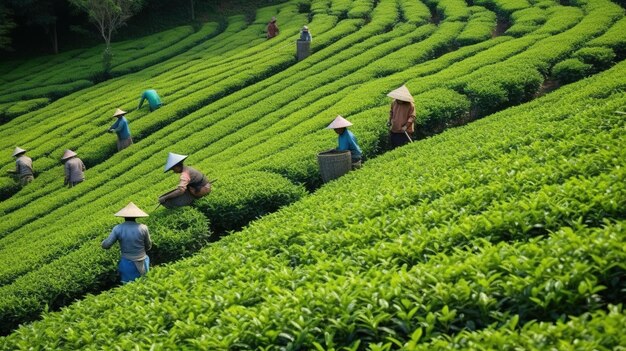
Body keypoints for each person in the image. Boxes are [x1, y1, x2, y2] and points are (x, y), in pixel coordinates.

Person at [101, 202, 152, 284]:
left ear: (123, 216)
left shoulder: (118, 228)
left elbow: (106, 245)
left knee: (130, 286)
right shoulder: (143, 227)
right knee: (145, 283)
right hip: (143, 261)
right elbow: (148, 246)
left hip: (128, 263)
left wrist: (102, 243)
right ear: (136, 216)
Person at [387, 84, 416, 149]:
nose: (399, 100)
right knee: (395, 146)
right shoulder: (394, 102)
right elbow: (391, 112)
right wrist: (390, 120)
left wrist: (406, 126)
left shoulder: (410, 105)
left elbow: (412, 117)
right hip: (394, 129)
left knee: (405, 147)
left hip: (405, 131)